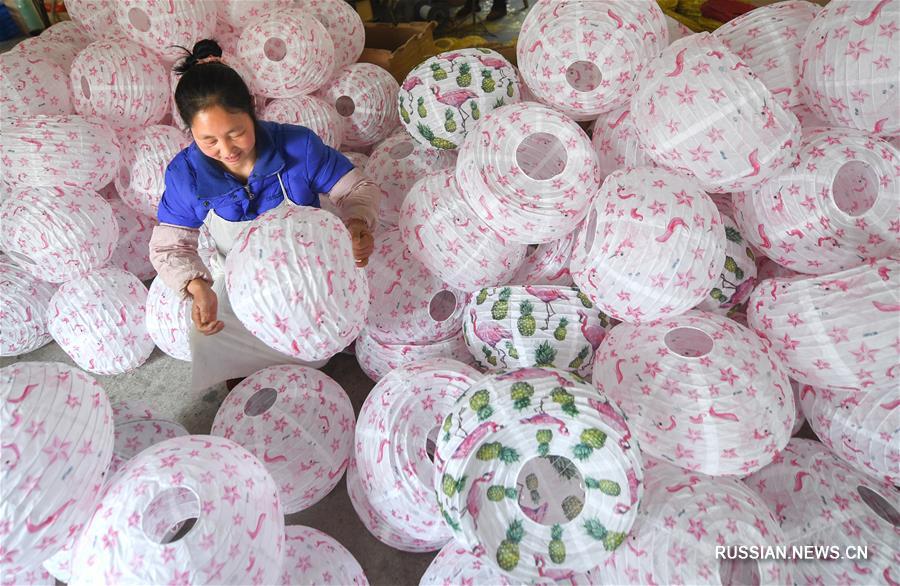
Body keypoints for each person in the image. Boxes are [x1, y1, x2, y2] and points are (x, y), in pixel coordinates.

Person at [149, 39, 380, 391]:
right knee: (211, 340)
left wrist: (358, 223)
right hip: (245, 290)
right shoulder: (186, 175)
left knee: (318, 355)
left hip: (310, 275)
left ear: (253, 110)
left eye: (236, 133)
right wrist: (198, 287)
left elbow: (354, 188)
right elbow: (171, 246)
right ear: (190, 132)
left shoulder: (297, 146)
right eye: (208, 140)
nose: (226, 150)